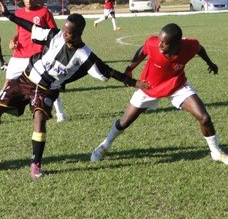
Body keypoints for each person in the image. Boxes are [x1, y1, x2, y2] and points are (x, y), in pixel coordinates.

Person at [0, 4, 149, 179]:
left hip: (45, 90)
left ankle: (36, 164)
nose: (64, 33)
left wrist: (132, 82)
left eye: (68, 32)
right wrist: (9, 15)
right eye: (64, 29)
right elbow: (32, 27)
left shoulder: (84, 55)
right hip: (25, 79)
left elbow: (106, 70)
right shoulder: (55, 35)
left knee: (39, 119)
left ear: (78, 34)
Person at [90, 23, 228, 164]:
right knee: (124, 122)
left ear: (176, 44)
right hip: (148, 87)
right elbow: (142, 51)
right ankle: (104, 145)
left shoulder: (188, 46)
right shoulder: (153, 43)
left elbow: (199, 49)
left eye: (164, 43)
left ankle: (216, 152)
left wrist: (210, 63)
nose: (160, 45)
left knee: (204, 118)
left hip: (177, 86)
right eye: (160, 40)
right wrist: (129, 68)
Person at [4, 0, 67, 123]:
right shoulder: (19, 13)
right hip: (19, 54)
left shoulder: (44, 12)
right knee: (8, 81)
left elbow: (54, 34)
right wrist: (13, 40)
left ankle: (60, 113)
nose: (29, 1)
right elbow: (19, 32)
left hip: (37, 56)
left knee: (48, 85)